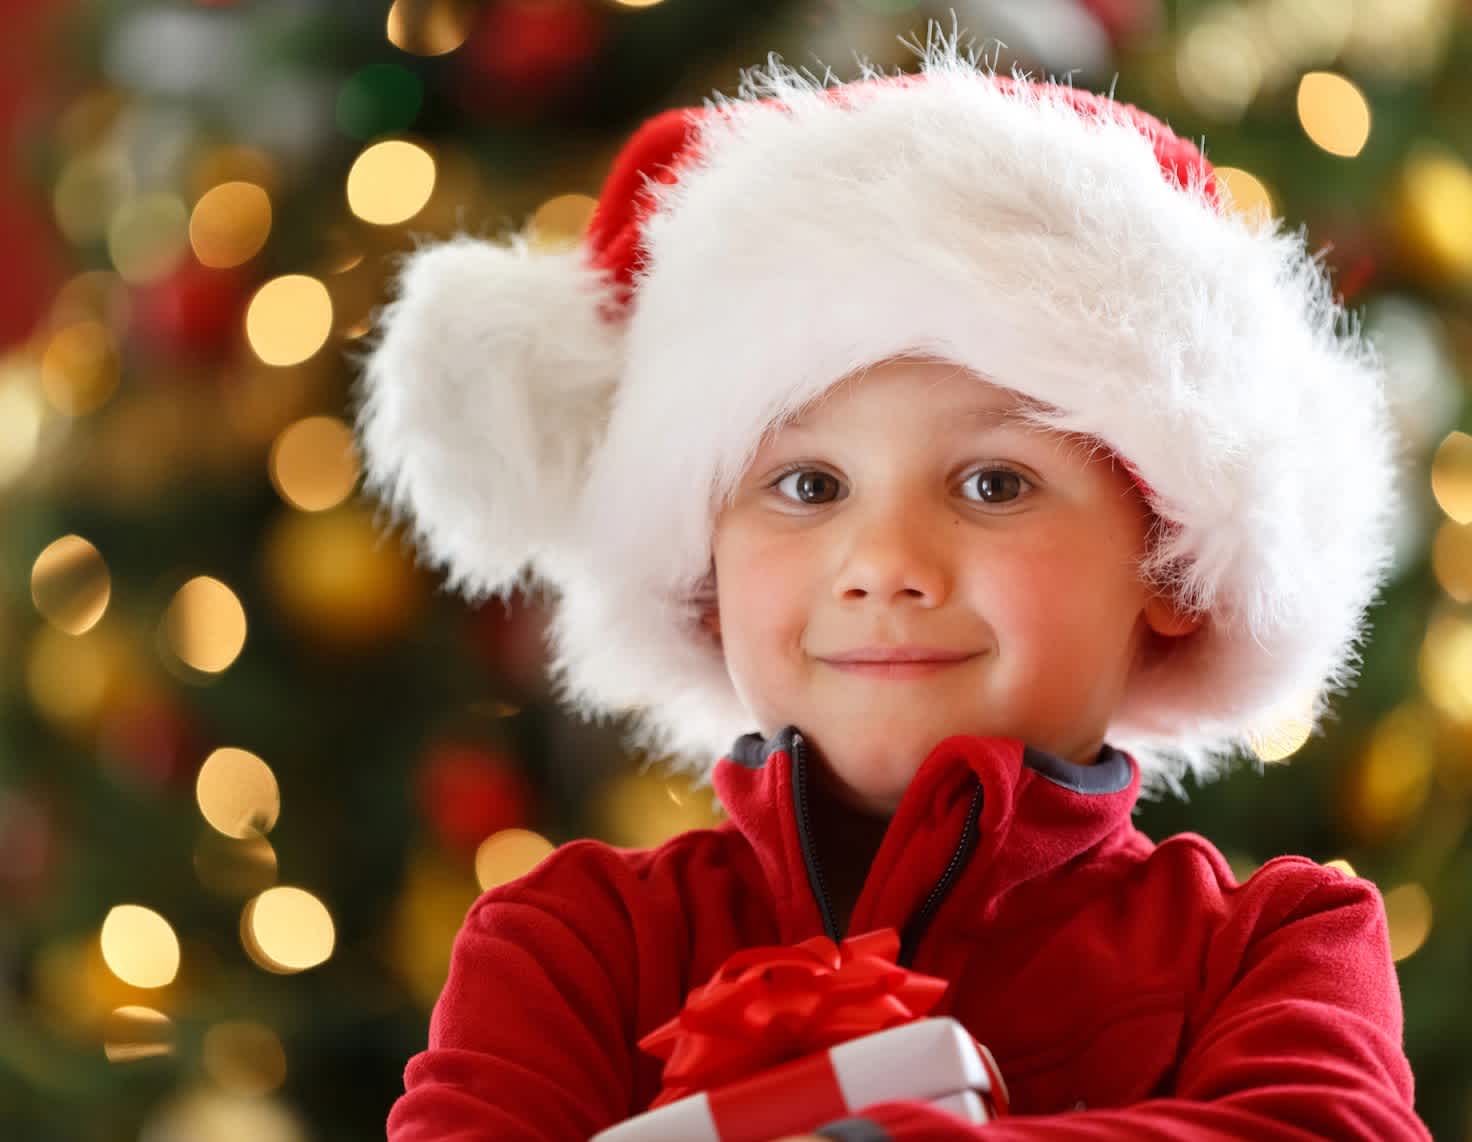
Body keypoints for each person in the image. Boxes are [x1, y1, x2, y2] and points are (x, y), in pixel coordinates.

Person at [356, 36, 1429, 1141]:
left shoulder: (1277, 945)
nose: (884, 564)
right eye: (808, 483)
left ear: (1168, 560)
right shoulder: (570, 944)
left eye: (992, 481)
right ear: (702, 569)